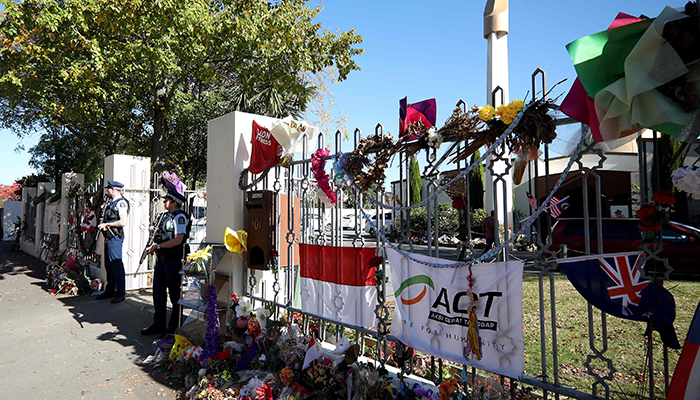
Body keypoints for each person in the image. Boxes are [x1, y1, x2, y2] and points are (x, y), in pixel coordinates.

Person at [141, 188, 190, 336]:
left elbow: (178, 239)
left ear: (174, 202)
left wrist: (159, 246)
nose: (164, 202)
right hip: (162, 259)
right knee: (158, 292)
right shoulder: (165, 216)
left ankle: (174, 327)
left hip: (173, 259)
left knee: (175, 295)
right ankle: (158, 324)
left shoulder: (179, 216)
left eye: (166, 200)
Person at [96, 180, 130, 304]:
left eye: (109, 189)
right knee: (108, 265)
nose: (107, 191)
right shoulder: (111, 203)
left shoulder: (121, 203)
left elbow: (123, 221)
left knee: (116, 265)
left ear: (114, 189)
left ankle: (120, 293)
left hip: (115, 237)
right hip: (109, 237)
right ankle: (110, 290)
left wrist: (107, 224)